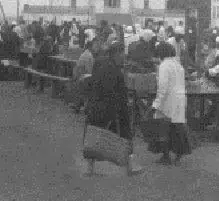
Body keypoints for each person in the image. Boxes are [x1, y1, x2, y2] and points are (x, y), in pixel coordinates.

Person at [84, 41, 139, 172]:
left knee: (94, 134)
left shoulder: (99, 62)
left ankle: (89, 167)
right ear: (116, 54)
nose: (124, 58)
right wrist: (125, 107)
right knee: (126, 134)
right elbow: (118, 93)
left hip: (96, 106)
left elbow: (92, 82)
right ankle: (131, 165)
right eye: (122, 55)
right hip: (112, 107)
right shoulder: (116, 71)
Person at [151, 42, 191, 165]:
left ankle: (166, 156)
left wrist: (156, 104)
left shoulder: (164, 66)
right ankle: (178, 154)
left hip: (168, 101)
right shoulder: (178, 65)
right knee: (177, 128)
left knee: (163, 129)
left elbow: (163, 88)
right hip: (179, 99)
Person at [71, 41, 96, 113]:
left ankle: (78, 106)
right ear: (90, 47)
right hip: (84, 76)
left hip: (80, 75)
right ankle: (83, 108)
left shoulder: (85, 53)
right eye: (94, 46)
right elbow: (89, 70)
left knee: (81, 92)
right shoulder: (89, 55)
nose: (95, 47)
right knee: (86, 93)